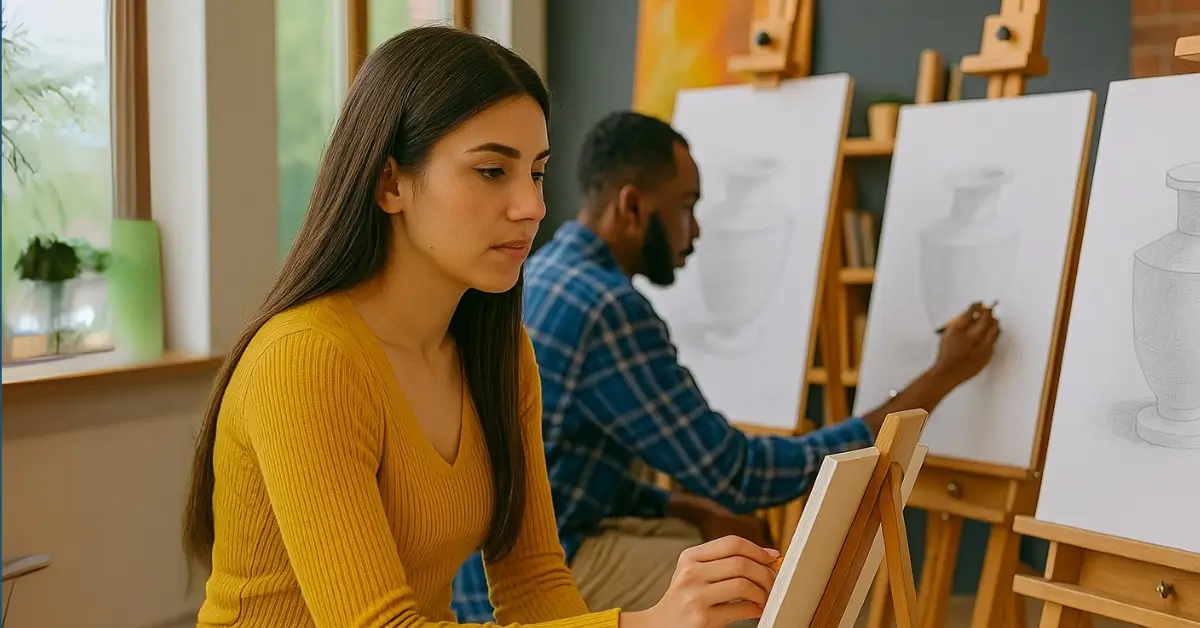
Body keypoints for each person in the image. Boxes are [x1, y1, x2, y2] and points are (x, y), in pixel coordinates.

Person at [183, 29, 783, 628]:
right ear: (390, 183)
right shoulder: (304, 361)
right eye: (492, 171)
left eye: (537, 173)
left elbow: (535, 583)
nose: (532, 206)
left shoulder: (497, 350)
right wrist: (645, 624)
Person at [451, 111, 1001, 621]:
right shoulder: (606, 308)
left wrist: (682, 506)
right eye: (686, 205)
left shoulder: (546, 272)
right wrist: (941, 376)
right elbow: (740, 475)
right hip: (521, 582)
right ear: (633, 206)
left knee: (720, 543)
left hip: (485, 565)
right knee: (753, 584)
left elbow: (565, 474)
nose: (694, 230)